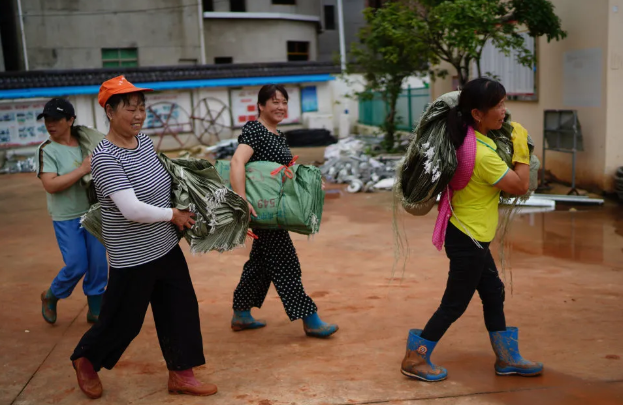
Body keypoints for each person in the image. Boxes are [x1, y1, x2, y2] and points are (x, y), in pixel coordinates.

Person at [69, 76, 216, 399]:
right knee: (123, 322)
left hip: (164, 245)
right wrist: (172, 215)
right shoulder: (106, 158)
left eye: (141, 108)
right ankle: (87, 360)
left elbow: (165, 182)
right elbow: (131, 209)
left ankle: (182, 374)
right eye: (129, 109)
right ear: (109, 111)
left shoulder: (144, 142)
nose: (138, 115)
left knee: (180, 309)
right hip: (132, 256)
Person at [400, 78, 543, 382]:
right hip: (468, 238)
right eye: (499, 105)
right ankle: (415, 358)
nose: (504, 112)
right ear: (477, 113)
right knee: (454, 303)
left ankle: (507, 358)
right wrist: (521, 151)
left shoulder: (469, 138)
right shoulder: (482, 154)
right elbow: (519, 185)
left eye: (505, 103)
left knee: (493, 292)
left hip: (470, 236)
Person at [229, 84, 338, 338]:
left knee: (261, 264)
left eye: (284, 102)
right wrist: (241, 200)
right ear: (261, 106)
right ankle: (310, 319)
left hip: (275, 213)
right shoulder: (254, 130)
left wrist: (311, 183)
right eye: (275, 102)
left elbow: (284, 173)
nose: (280, 107)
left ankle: (241, 313)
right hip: (261, 210)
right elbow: (237, 161)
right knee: (286, 262)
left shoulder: (278, 135)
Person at [36, 98, 108, 325]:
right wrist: (83, 169)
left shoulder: (87, 142)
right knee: (77, 264)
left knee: (98, 263)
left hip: (92, 212)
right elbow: (51, 185)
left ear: (70, 120)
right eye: (47, 119)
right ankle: (52, 294)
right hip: (66, 216)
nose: (50, 124)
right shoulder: (47, 150)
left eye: (56, 119)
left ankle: (95, 309)